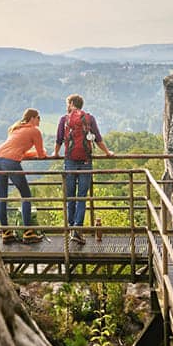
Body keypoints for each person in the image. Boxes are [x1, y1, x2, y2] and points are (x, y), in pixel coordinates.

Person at [54, 94, 113, 245]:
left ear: (72, 103)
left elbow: (59, 139)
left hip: (70, 161)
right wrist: (107, 153)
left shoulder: (64, 119)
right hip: (86, 161)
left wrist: (55, 153)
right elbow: (97, 138)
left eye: (68, 103)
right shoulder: (89, 118)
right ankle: (77, 231)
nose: (67, 106)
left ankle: (70, 229)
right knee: (81, 197)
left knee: (70, 197)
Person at [0, 108, 47, 244]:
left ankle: (6, 233)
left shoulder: (16, 128)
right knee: (26, 196)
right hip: (10, 162)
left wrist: (32, 153)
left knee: (2, 197)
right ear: (33, 118)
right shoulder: (34, 131)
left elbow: (17, 151)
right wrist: (41, 153)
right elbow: (42, 154)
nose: (40, 120)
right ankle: (28, 233)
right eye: (39, 118)